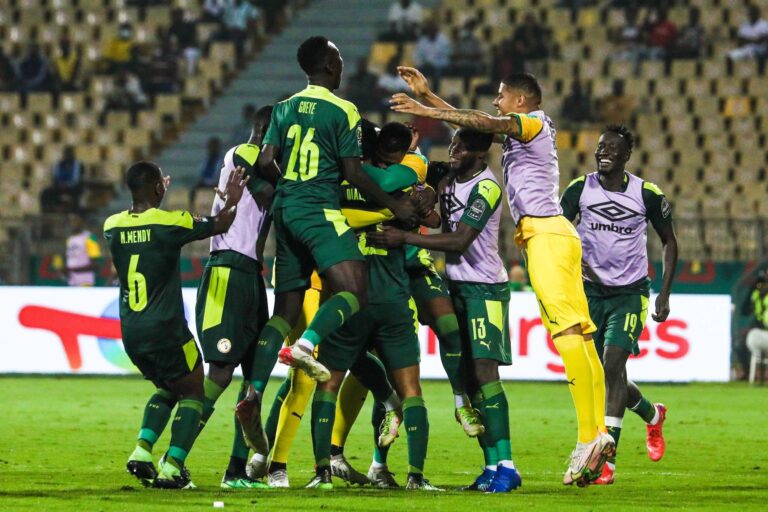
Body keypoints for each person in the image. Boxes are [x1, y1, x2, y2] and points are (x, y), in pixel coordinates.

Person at [390, 65, 614, 486]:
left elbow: (482, 122)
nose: (495, 102)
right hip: (553, 233)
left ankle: (589, 436)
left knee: (567, 333)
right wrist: (432, 96)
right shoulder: (522, 132)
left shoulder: (531, 122)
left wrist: (423, 107)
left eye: (501, 96)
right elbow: (474, 128)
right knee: (582, 337)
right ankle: (598, 431)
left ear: (521, 101)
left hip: (545, 232)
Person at [236, 36, 418, 453]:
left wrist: (293, 185)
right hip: (318, 210)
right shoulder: (343, 110)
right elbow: (353, 173)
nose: (341, 65)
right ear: (329, 66)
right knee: (355, 289)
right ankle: (304, 347)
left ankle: (253, 393)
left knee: (284, 310)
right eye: (338, 58)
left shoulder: (283, 108)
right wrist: (393, 205)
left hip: (286, 210)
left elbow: (265, 163)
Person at [370, 128, 521, 493]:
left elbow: (459, 239)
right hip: (457, 285)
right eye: (452, 144)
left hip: (485, 288)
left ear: (480, 153)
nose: (452, 151)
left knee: (485, 374)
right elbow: (432, 209)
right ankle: (489, 467)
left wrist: (404, 237)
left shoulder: (487, 187)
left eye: (460, 147)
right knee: (470, 378)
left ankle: (508, 465)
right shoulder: (449, 178)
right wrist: (423, 196)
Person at [306, 121, 439, 491]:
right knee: (411, 390)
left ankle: (321, 472)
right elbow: (431, 217)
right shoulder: (399, 181)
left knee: (328, 383)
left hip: (349, 298)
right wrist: (419, 190)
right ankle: (416, 476)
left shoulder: (332, 181)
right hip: (394, 298)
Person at [104, 160, 248, 489]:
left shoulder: (111, 225)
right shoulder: (171, 222)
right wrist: (233, 199)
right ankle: (172, 467)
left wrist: (156, 195)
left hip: (131, 331)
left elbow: (142, 227)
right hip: (165, 328)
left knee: (168, 387)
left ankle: (142, 451)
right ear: (158, 188)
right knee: (194, 390)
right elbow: (222, 223)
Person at [561, 124, 677, 485]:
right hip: (589, 292)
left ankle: (606, 463)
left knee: (612, 365)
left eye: (612, 148)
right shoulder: (579, 189)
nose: (604, 152)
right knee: (604, 376)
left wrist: (664, 294)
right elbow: (558, 232)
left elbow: (669, 242)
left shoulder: (647, 194)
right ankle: (652, 415)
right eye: (600, 147)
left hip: (630, 293)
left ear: (627, 155)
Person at [193, 106, 275, 489]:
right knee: (221, 373)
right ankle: (173, 459)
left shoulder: (265, 166)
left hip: (250, 273)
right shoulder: (241, 155)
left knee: (249, 378)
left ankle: (236, 471)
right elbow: (271, 195)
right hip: (227, 267)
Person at [42, 146, 85, 212]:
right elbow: (55, 178)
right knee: (45, 193)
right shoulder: (58, 164)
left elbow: (77, 180)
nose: (67, 156)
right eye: (66, 154)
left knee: (77, 192)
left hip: (73, 188)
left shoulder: (78, 165)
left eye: (69, 154)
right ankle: (47, 212)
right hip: (59, 187)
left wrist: (67, 185)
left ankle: (75, 212)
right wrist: (59, 185)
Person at [65, 213, 102, 286]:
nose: (73, 223)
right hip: (72, 281)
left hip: (85, 281)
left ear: (82, 222)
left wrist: (72, 269)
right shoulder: (70, 239)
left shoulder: (90, 237)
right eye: (71, 221)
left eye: (75, 220)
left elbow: (94, 264)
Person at [449, 20, 485, 92]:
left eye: (470, 28)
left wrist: (465, 56)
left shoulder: (475, 40)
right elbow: (454, 55)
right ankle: (462, 92)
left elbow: (478, 55)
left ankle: (467, 92)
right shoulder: (458, 40)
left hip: (471, 66)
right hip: (460, 66)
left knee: (469, 72)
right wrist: (467, 56)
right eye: (467, 28)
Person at [414, 21, 451, 92]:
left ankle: (435, 92)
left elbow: (446, 59)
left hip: (440, 66)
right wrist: (422, 63)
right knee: (417, 72)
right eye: (430, 30)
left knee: (436, 72)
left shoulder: (444, 41)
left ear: (437, 30)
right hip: (425, 66)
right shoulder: (422, 41)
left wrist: (434, 64)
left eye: (433, 30)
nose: (432, 31)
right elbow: (417, 56)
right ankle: (421, 92)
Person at [746, 271, 768, 382]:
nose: (762, 286)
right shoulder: (755, 295)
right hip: (759, 333)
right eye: (760, 284)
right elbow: (744, 310)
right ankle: (749, 374)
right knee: (750, 336)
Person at [190, 137, 224, 206]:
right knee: (193, 191)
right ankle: (192, 208)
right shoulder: (207, 159)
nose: (212, 149)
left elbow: (220, 174)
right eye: (211, 147)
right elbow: (202, 172)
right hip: (205, 182)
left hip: (216, 183)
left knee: (220, 193)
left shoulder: (222, 159)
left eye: (214, 147)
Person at [168, 8, 200, 76]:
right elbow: (171, 42)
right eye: (174, 16)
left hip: (190, 49)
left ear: (181, 15)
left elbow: (194, 40)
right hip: (179, 50)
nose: (176, 17)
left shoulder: (190, 26)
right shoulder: (172, 28)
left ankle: (190, 76)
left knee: (190, 53)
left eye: (178, 15)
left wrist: (182, 49)